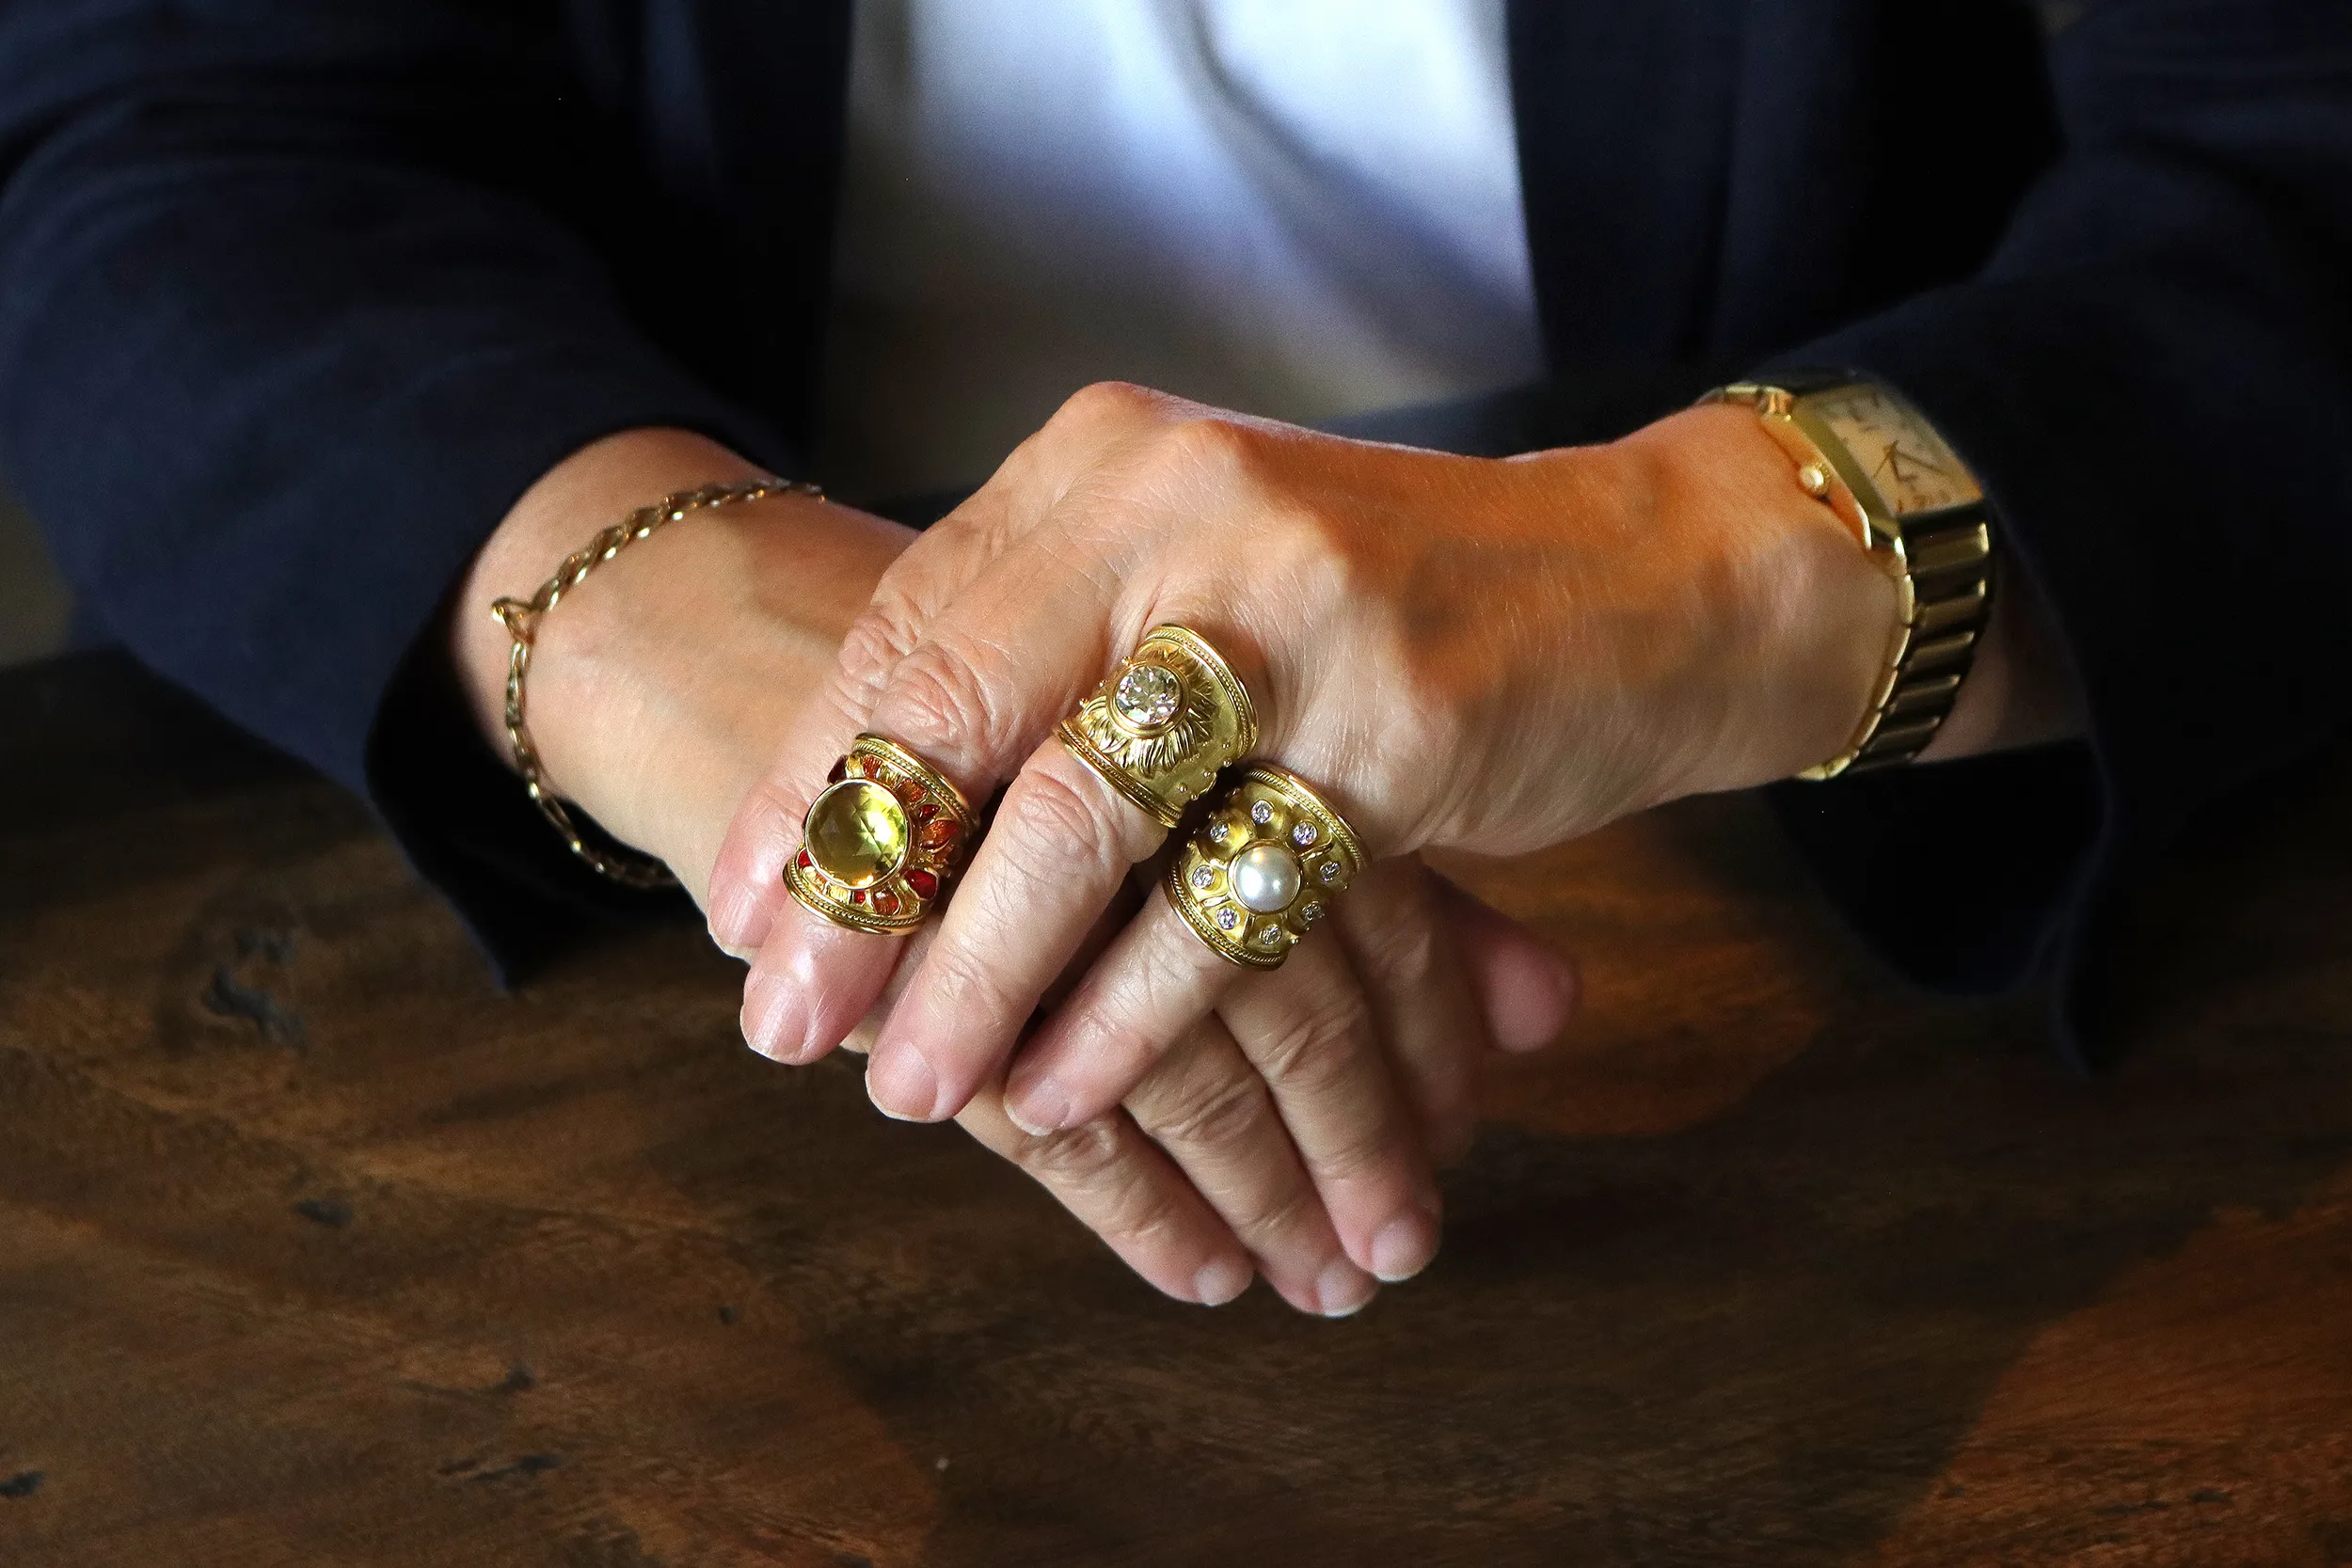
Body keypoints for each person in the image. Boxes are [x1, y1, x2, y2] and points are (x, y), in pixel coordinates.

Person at [2, 0, 2345, 1316]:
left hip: (1840, 832)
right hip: (595, 899)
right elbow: (166, 136)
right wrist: (669, 608)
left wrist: (1707, 561)